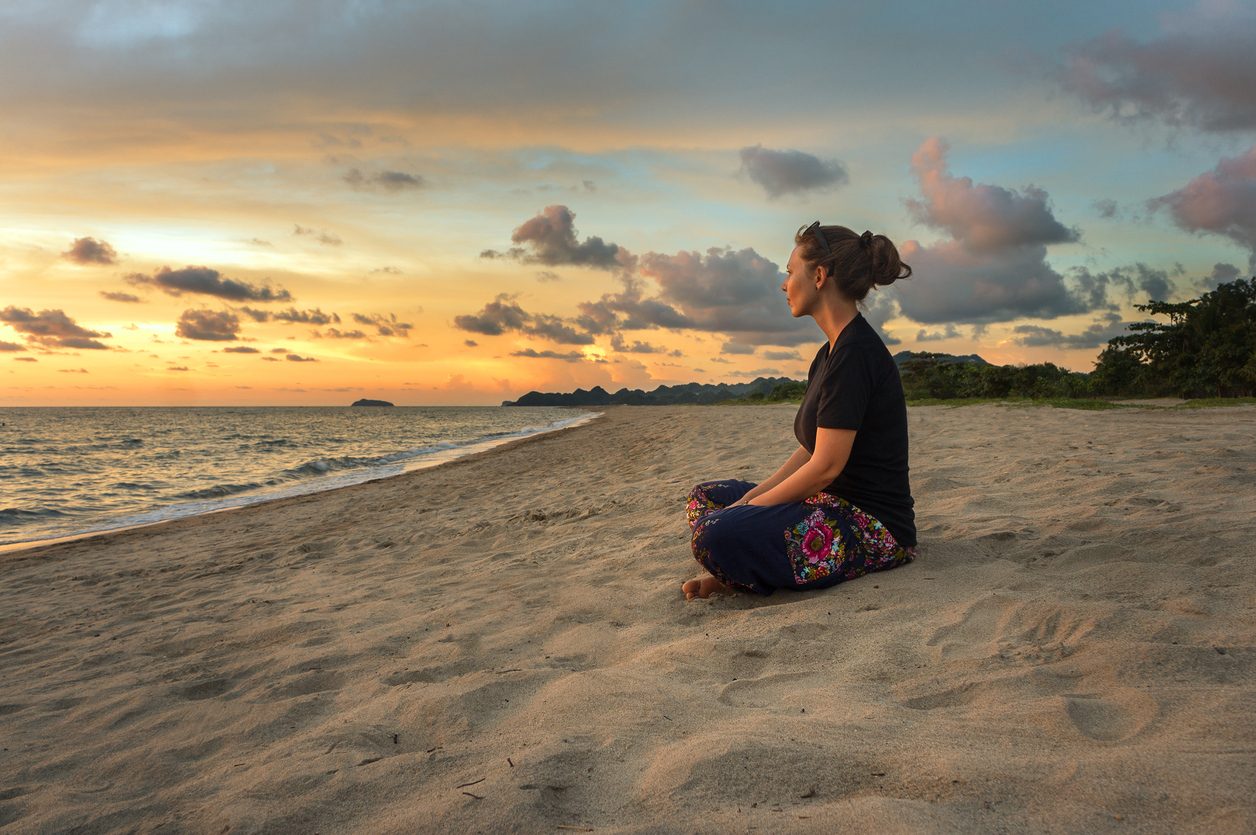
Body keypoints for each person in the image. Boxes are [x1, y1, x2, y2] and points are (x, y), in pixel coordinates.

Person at [682, 222, 917, 600]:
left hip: (869, 526)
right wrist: (750, 499)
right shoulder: (830, 353)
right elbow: (811, 450)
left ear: (819, 276)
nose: (783, 284)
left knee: (716, 532)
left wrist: (747, 511)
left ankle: (738, 575)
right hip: (824, 504)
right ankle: (741, 569)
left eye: (790, 272)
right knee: (706, 499)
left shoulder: (856, 353)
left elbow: (825, 467)